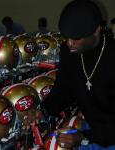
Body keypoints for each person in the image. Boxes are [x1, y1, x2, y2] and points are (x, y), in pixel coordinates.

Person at [40, 0, 115, 149]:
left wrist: (85, 137)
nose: (69, 43)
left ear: (96, 30)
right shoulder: (69, 52)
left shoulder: (112, 57)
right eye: (66, 37)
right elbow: (64, 88)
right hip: (91, 128)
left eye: (75, 38)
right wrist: (44, 110)